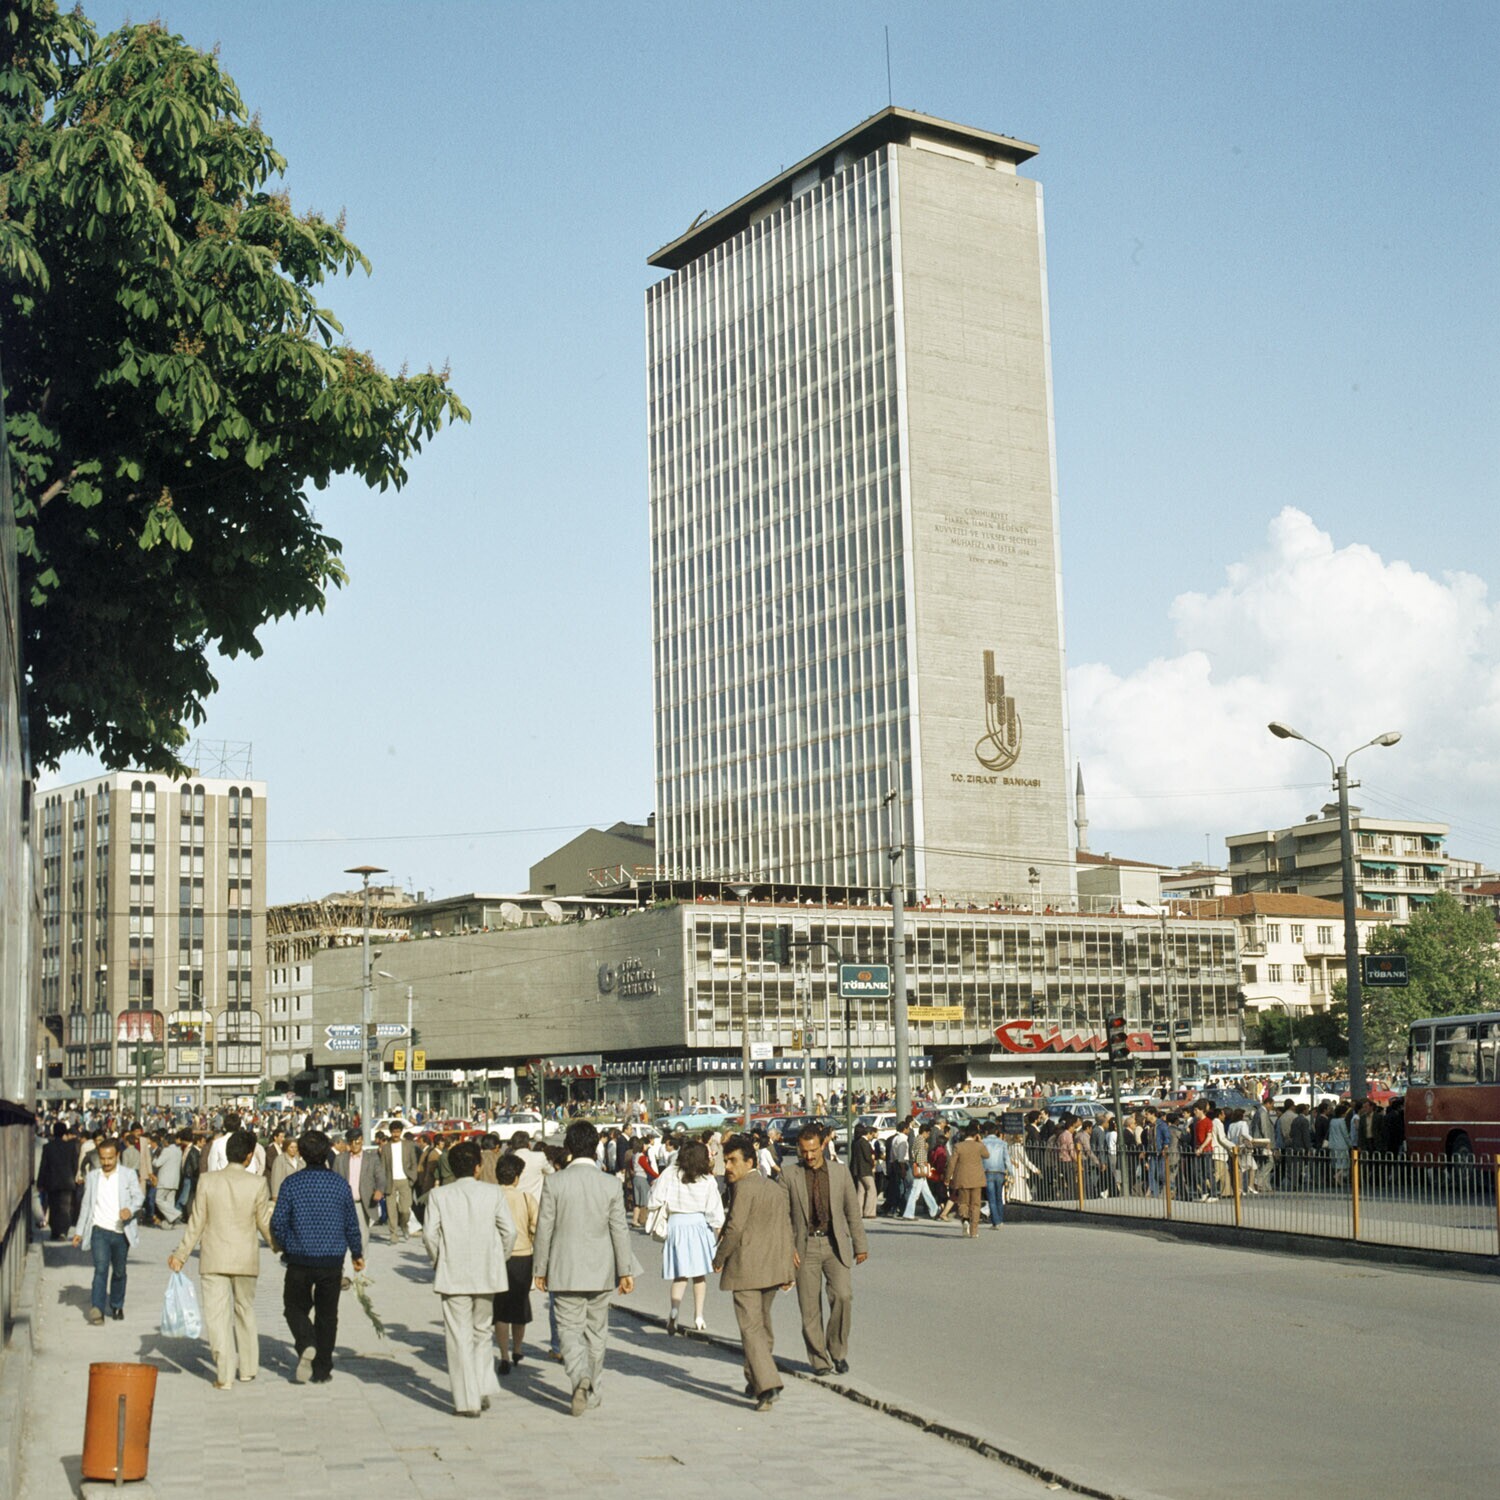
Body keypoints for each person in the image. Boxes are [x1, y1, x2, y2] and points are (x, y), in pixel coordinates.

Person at [532, 1122, 634, 1417]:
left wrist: (540, 1268)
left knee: (568, 1330)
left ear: (569, 1148)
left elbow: (544, 1229)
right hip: (601, 1271)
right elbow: (619, 1230)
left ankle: (579, 1376)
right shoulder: (610, 1184)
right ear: (595, 1148)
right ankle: (594, 1391)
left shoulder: (555, 1183)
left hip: (564, 1269)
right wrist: (625, 1270)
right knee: (596, 1333)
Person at [168, 1128, 276, 1389]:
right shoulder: (257, 1184)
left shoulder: (207, 1181)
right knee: (245, 1310)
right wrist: (279, 1247)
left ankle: (224, 1375)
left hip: (213, 1257)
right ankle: (248, 1369)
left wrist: (181, 1254)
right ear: (249, 1156)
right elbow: (264, 1223)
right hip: (245, 1258)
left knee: (217, 1317)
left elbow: (196, 1222)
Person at [422, 1138, 517, 1418]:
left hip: (453, 1273)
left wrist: (439, 1260)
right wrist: (500, 1257)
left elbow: (429, 1235)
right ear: (478, 1167)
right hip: (487, 1272)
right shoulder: (493, 1193)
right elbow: (509, 1232)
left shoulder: (439, 1196)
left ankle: (467, 1400)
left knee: (458, 1335)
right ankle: (483, 1385)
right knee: (482, 1330)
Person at [270, 1129, 365, 1384]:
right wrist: (357, 1253)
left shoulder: (291, 1184)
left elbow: (278, 1223)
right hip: (331, 1259)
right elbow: (351, 1224)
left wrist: (287, 1245)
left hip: (299, 1258)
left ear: (301, 1153)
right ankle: (322, 1369)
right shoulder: (339, 1185)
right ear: (327, 1153)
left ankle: (306, 1342)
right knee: (327, 1315)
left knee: (294, 1308)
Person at [713, 1132, 795, 1413]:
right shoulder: (773, 1187)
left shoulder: (743, 1188)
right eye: (726, 1161)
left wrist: (719, 1257)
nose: (728, 1166)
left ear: (750, 1162)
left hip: (746, 1267)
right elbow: (786, 1229)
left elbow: (734, 1228)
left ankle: (768, 1384)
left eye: (733, 1160)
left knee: (750, 1328)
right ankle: (755, 1377)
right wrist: (787, 1269)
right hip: (772, 1268)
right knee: (762, 1325)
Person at [781, 1120, 867, 1376]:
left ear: (823, 1146)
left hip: (834, 1244)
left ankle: (837, 1351)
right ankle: (819, 1360)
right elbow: (781, 1216)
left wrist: (860, 1244)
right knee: (809, 1308)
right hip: (804, 1247)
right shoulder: (788, 1175)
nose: (808, 1156)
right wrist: (788, 1248)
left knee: (843, 1296)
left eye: (813, 1150)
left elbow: (852, 1210)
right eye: (804, 1151)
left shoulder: (840, 1173)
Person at [649, 1138, 724, 1333]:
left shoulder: (670, 1174)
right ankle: (699, 1316)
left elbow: (655, 1199)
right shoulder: (707, 1180)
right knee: (699, 1276)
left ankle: (674, 1310)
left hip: (676, 1225)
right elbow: (715, 1212)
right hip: (699, 1225)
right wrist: (719, 1237)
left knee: (680, 1275)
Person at [72, 1137, 145, 1324]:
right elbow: (86, 1206)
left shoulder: (128, 1175)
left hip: (121, 1232)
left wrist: (130, 1210)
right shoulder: (92, 1177)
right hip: (99, 1230)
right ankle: (97, 1308)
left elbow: (139, 1197)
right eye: (103, 1158)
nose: (106, 1162)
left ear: (117, 1156)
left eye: (110, 1158)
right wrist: (79, 1232)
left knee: (119, 1271)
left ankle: (117, 1304)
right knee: (101, 1268)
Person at [492, 1153, 539, 1375]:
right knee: (520, 1304)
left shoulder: (491, 1197)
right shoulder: (526, 1198)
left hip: (497, 1256)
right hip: (522, 1256)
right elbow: (536, 1227)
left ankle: (503, 1355)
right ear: (517, 1177)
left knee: (500, 1308)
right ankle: (517, 1349)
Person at [334, 1130, 386, 1247]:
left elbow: (380, 1177)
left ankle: (362, 1258)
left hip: (363, 1203)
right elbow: (333, 1180)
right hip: (344, 1204)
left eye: (357, 1142)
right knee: (344, 1236)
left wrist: (379, 1190)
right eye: (351, 1142)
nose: (354, 1145)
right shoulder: (340, 1159)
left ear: (362, 1140)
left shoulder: (372, 1158)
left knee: (362, 1236)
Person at [37, 1122, 80, 1241]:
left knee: (54, 1207)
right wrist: (72, 1176)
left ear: (53, 1132)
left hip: (52, 1182)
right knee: (65, 1208)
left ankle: (55, 1231)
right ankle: (63, 1232)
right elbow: (74, 1165)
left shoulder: (48, 1147)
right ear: (65, 1132)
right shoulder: (71, 1147)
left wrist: (40, 1182)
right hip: (67, 1181)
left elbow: (43, 1166)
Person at [945, 1123, 989, 1237]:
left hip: (962, 1178)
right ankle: (974, 1231)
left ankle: (965, 1219)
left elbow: (952, 1163)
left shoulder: (958, 1146)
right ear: (976, 1135)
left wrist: (947, 1177)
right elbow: (987, 1155)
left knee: (963, 1202)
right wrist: (980, 1142)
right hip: (977, 1179)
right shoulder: (979, 1146)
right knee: (975, 1205)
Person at [379, 1122, 419, 1242]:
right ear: (390, 1132)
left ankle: (404, 1225)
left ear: (401, 1132)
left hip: (405, 1180)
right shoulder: (385, 1148)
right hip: (390, 1181)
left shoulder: (408, 1145)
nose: (396, 1134)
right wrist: (382, 1183)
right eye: (393, 1132)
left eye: (398, 1131)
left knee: (405, 1210)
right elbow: (382, 1167)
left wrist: (412, 1178)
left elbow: (413, 1163)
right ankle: (393, 1235)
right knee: (391, 1210)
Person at [902, 1123, 940, 1220]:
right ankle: (908, 1214)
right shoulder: (921, 1140)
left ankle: (934, 1209)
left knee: (926, 1192)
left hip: (919, 1167)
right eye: (928, 1133)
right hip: (920, 1167)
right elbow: (920, 1154)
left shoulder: (917, 1139)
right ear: (925, 1132)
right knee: (915, 1193)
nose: (928, 1135)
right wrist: (922, 1166)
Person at [979, 1121, 1011, 1230]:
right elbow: (1007, 1159)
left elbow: (980, 1159)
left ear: (986, 1132)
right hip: (1000, 1171)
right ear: (996, 1131)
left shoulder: (982, 1142)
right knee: (999, 1198)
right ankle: (1000, 1220)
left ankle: (995, 1222)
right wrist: (1011, 1172)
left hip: (987, 1171)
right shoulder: (1002, 1143)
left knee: (991, 1198)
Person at [849, 1123, 878, 1219]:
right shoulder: (864, 1143)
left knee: (861, 1191)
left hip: (858, 1170)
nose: (872, 1137)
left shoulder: (856, 1142)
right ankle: (869, 1212)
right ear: (868, 1134)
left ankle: (858, 1211)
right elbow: (867, 1157)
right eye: (871, 1135)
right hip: (865, 1169)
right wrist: (873, 1162)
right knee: (872, 1190)